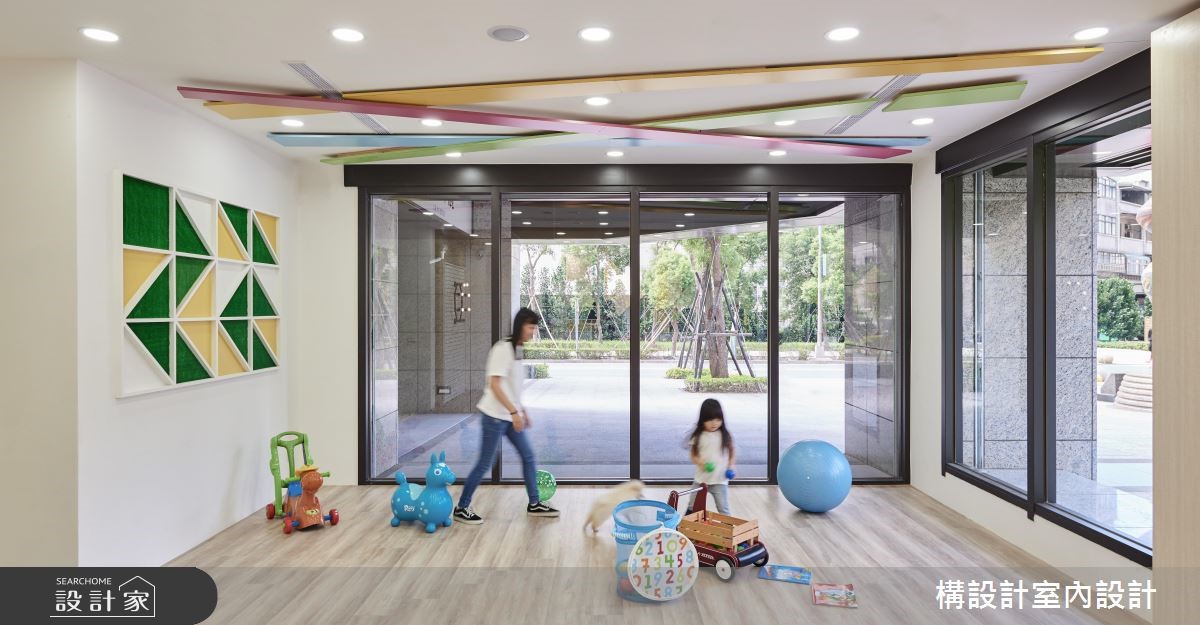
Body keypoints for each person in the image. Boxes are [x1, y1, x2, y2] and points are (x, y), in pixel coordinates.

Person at [453, 308, 559, 524]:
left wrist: (522, 410)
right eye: (530, 327)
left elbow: (513, 386)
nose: (533, 331)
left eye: (535, 327)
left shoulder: (517, 349)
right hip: (494, 417)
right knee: (485, 463)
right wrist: (513, 411)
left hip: (510, 416)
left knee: (528, 456)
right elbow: (495, 384)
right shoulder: (503, 349)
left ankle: (534, 503)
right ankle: (461, 508)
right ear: (520, 325)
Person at [685, 398, 736, 515]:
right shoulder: (698, 436)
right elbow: (693, 455)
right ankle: (685, 525)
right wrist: (701, 463)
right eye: (710, 420)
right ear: (703, 419)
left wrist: (731, 465)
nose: (714, 423)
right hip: (700, 480)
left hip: (719, 480)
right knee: (692, 506)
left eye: (718, 420)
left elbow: (732, 451)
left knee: (723, 509)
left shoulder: (724, 434)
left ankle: (728, 526)